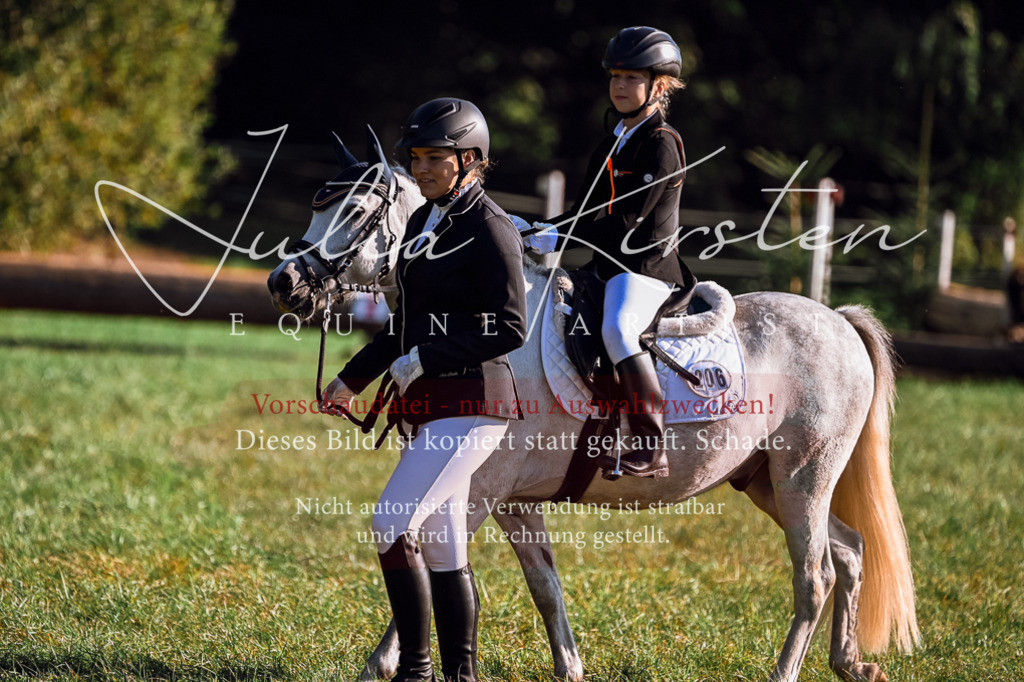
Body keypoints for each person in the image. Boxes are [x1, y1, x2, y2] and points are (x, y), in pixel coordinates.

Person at [322, 98, 527, 682]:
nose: (423, 169)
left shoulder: (492, 231)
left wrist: (428, 355)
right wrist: (352, 377)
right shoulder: (422, 222)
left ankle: (415, 672)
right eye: (416, 157)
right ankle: (460, 676)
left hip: (474, 404)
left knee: (391, 523)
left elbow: (510, 328)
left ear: (471, 159)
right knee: (441, 545)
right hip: (432, 406)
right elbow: (405, 323)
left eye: (436, 157)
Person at [523, 26, 695, 479]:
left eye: (631, 78)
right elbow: (585, 210)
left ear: (657, 86)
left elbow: (628, 223)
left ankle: (650, 442)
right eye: (615, 77)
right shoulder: (609, 142)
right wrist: (538, 230)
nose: (620, 87)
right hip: (605, 265)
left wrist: (560, 239)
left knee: (619, 328)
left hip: (646, 268)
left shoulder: (663, 144)